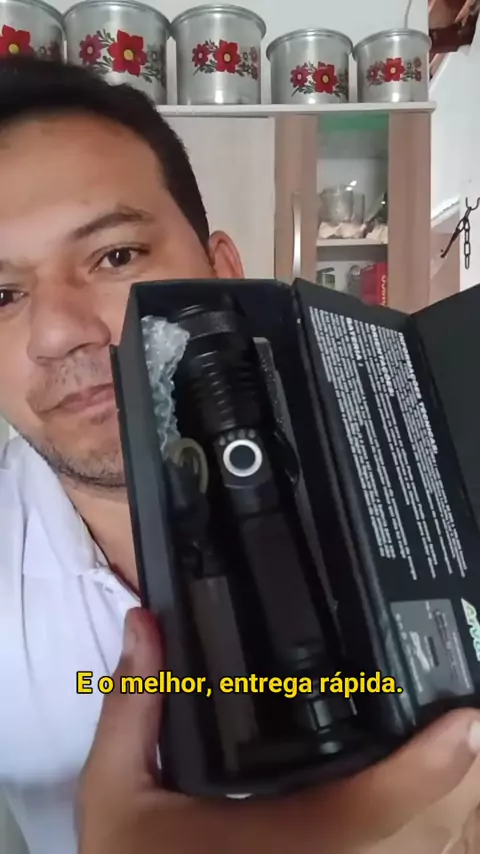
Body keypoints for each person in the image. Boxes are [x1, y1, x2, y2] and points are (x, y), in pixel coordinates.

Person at [0, 54, 479, 854]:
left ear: (222, 271)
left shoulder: (416, 473)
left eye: (116, 256)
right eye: (1, 295)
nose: (57, 333)